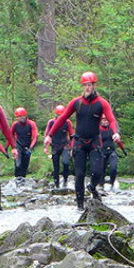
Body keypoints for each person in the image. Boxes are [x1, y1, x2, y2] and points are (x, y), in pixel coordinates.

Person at [43, 71, 122, 209]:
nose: (87, 88)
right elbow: (62, 119)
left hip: (94, 141)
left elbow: (111, 119)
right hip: (79, 142)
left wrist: (115, 132)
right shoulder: (76, 103)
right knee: (79, 174)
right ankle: (80, 205)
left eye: (89, 85)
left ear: (94, 85)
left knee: (97, 172)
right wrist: (49, 135)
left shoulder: (101, 103)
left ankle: (92, 187)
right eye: (85, 85)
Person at [43, 104, 72, 189]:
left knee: (66, 163)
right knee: (56, 166)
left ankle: (65, 180)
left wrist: (72, 147)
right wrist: (46, 147)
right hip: (55, 146)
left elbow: (71, 135)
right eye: (59, 115)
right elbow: (47, 135)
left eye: (62, 115)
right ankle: (56, 184)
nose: (60, 117)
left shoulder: (67, 122)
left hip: (64, 145)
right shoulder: (51, 122)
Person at [11, 107, 39, 182]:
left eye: (22, 116)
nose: (21, 118)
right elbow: (10, 136)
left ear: (26, 115)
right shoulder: (15, 125)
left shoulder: (31, 124)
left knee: (24, 167)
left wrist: (31, 148)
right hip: (18, 146)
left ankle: (22, 184)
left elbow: (35, 137)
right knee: (18, 165)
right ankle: (17, 182)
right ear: (16, 117)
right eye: (19, 117)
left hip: (27, 147)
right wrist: (9, 147)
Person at [99, 117, 124, 192]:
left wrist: (123, 150)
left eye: (107, 120)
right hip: (102, 151)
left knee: (113, 168)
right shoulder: (98, 129)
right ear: (101, 121)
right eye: (104, 120)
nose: (106, 122)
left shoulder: (113, 127)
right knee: (101, 169)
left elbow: (118, 140)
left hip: (112, 151)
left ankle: (112, 183)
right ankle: (101, 185)